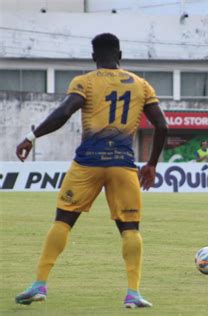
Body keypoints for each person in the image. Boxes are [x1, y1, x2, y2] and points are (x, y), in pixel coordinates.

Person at [14, 33, 168, 308]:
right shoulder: (141, 85)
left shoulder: (84, 82)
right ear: (120, 55)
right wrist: (152, 164)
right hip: (122, 164)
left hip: (87, 164)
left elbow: (63, 113)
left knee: (63, 221)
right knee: (130, 228)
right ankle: (133, 293)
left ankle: (39, 285)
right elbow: (162, 125)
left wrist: (32, 137)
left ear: (93, 56)